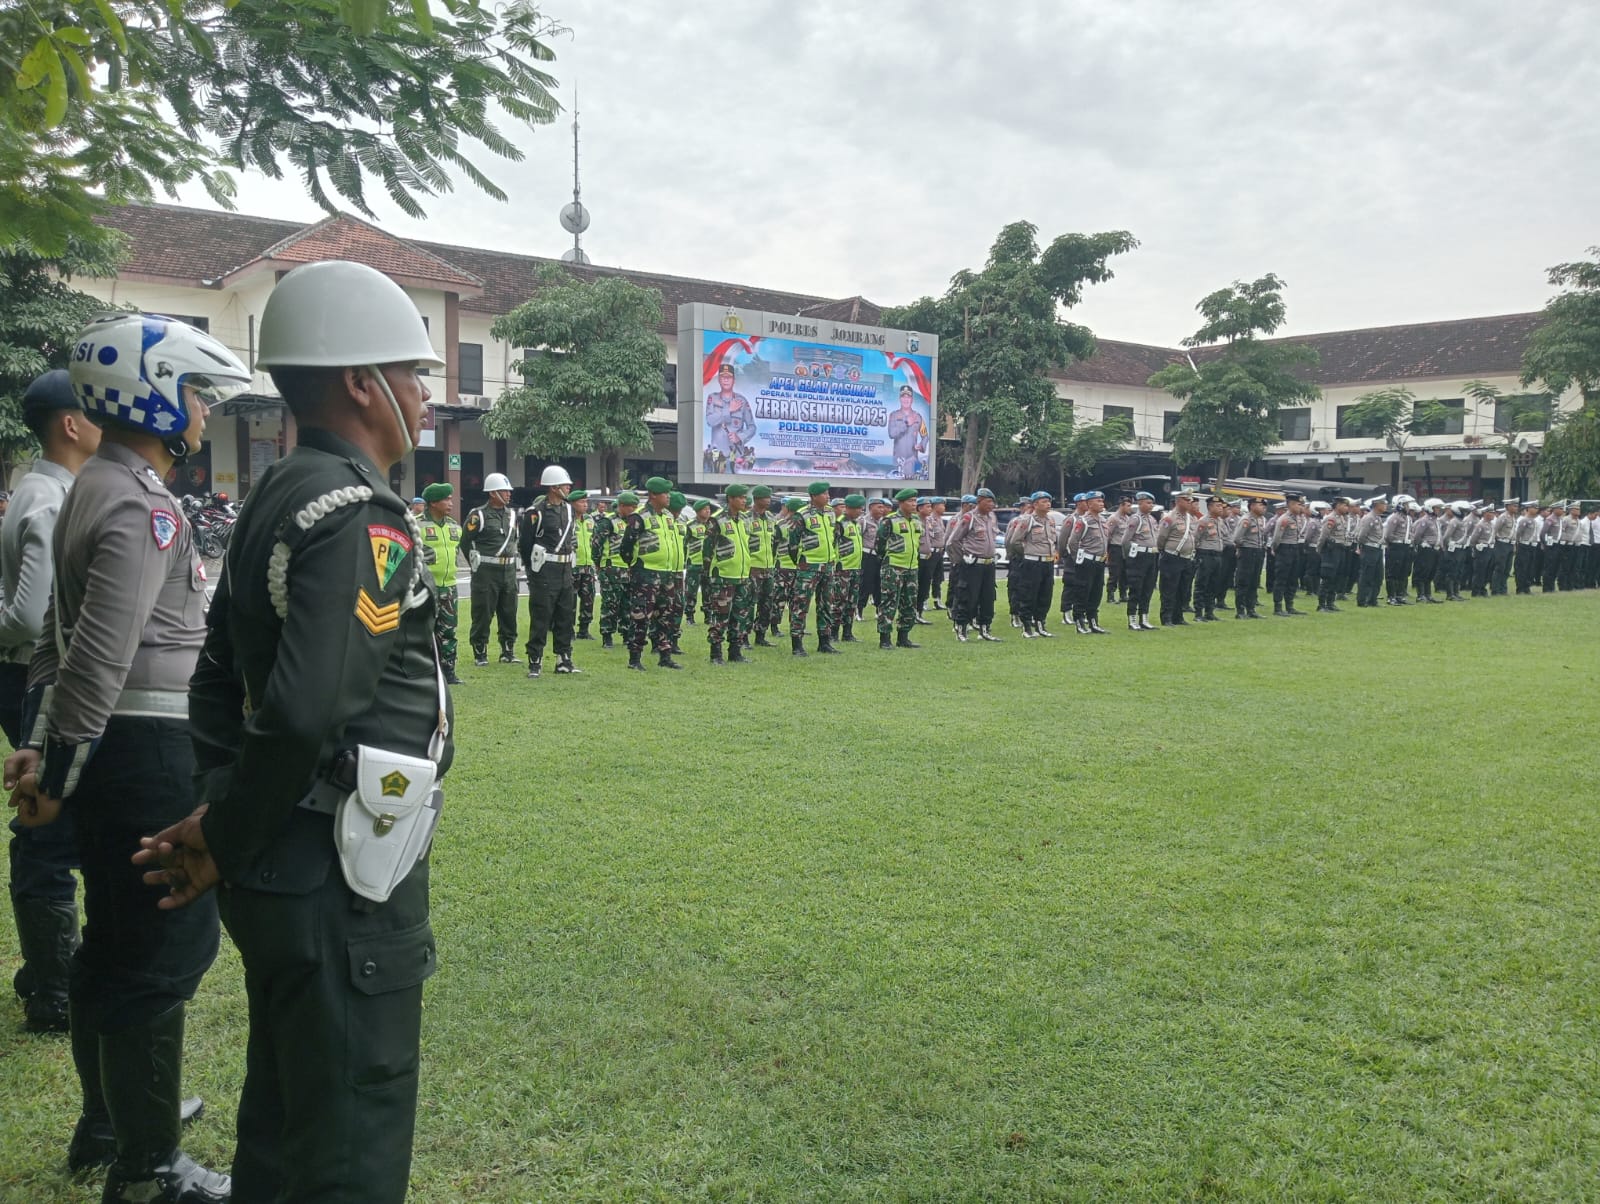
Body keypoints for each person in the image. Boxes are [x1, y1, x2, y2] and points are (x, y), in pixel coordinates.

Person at [133, 261, 452, 1203]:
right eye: (412, 373)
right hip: (339, 869)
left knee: (284, 1110)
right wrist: (228, 831)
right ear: (361, 382)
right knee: (350, 1127)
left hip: (287, 861)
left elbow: (214, 683)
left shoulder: (279, 490)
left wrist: (224, 813)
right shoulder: (357, 512)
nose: (425, 397)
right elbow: (309, 709)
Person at [8, 313, 250, 1200]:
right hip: (147, 748)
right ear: (151, 397)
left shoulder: (90, 485)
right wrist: (54, 771)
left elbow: (54, 641)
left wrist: (41, 744)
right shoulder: (140, 503)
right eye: (192, 394)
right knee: (160, 948)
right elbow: (101, 653)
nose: (202, 411)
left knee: (113, 943)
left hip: (114, 746)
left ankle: (109, 1126)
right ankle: (149, 1170)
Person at [1, 370, 101, 1037]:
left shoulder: (37, 490)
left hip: (32, 677)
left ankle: (47, 972)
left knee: (53, 820)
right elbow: (29, 616)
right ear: (70, 424)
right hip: (41, 680)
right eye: (94, 412)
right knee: (49, 826)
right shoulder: (51, 502)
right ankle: (54, 986)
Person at [519, 465, 580, 678]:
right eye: (565, 485)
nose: (569, 487)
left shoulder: (569, 510)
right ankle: (535, 661)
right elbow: (525, 544)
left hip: (565, 569)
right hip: (545, 570)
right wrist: (532, 570)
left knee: (565, 616)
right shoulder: (536, 512)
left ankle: (564, 659)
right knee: (541, 616)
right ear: (554, 487)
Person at [620, 477, 687, 671]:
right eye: (665, 493)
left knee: (666, 616)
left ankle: (665, 655)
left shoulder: (668, 516)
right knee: (641, 617)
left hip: (667, 574)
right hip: (646, 574)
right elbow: (626, 547)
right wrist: (635, 565)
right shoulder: (639, 517)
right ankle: (635, 658)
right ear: (653, 495)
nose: (668, 496)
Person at [460, 471, 518, 664]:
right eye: (504, 490)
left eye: (509, 491)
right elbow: (465, 542)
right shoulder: (478, 515)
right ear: (493, 493)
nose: (509, 494)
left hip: (509, 571)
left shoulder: (511, 515)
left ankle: (508, 651)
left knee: (509, 612)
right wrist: (475, 563)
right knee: (483, 612)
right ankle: (480, 652)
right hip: (486, 571)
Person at [417, 481, 465, 683]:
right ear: (433, 503)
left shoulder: (454, 526)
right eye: (446, 499)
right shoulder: (416, 525)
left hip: (450, 587)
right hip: (425, 587)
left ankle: (448, 672)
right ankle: (423, 672)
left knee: (448, 632)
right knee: (422, 631)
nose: (451, 503)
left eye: (451, 498)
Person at [786, 482, 839, 656]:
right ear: (814, 496)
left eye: (828, 493)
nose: (827, 496)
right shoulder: (802, 515)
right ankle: (797, 644)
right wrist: (802, 563)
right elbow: (793, 543)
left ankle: (825, 642)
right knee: (801, 605)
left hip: (828, 565)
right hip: (808, 566)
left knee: (826, 604)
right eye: (824, 493)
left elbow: (834, 537)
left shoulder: (830, 513)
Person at [702, 484, 752, 665]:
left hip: (742, 576)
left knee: (739, 616)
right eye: (740, 497)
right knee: (720, 617)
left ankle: (735, 652)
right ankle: (716, 654)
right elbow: (707, 550)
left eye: (745, 497)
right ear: (731, 499)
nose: (744, 500)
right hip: (723, 577)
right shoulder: (717, 520)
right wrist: (710, 575)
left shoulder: (745, 520)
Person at [946, 488, 1002, 642]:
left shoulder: (992, 517)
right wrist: (961, 559)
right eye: (988, 501)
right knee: (967, 597)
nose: (991, 505)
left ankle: (985, 629)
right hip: (972, 564)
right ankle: (961, 629)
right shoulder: (969, 517)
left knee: (988, 598)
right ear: (979, 501)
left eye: (993, 502)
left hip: (988, 564)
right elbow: (953, 541)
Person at [875, 488, 923, 649]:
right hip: (893, 567)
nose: (913, 504)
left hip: (912, 567)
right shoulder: (889, 521)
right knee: (889, 602)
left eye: (915, 501)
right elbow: (879, 544)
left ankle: (903, 637)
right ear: (901, 503)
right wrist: (887, 560)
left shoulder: (916, 520)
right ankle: (885, 638)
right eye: (910, 501)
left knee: (909, 603)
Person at [1010, 492, 1057, 638]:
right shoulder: (1027, 520)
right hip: (1032, 562)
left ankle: (1040, 624)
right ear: (1035, 504)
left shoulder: (1050, 520)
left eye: (1049, 501)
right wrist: (1027, 554)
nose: (1048, 504)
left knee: (1045, 595)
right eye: (1044, 501)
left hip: (1048, 562)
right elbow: (1015, 541)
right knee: (1028, 595)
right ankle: (1026, 626)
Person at [592, 491, 636, 648]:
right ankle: (607, 635)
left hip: (628, 569)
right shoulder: (608, 522)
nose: (634, 509)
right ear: (622, 506)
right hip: (611, 568)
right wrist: (599, 564)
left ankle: (627, 635)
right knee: (610, 603)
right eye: (631, 507)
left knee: (627, 604)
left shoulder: (634, 523)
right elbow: (596, 544)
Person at [1064, 490, 1111, 634]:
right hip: (1087, 561)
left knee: (1096, 593)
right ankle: (1079, 621)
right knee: (1082, 592)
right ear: (1089, 504)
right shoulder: (1083, 521)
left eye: (1102, 501)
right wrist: (1078, 559)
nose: (1101, 503)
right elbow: (1072, 542)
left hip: (1100, 561)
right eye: (1098, 501)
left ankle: (1093, 621)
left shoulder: (1103, 520)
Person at [745, 485, 779, 647]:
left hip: (768, 567)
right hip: (752, 567)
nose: (769, 500)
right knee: (748, 604)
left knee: (767, 603)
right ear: (757, 499)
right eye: (766, 497)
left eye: (769, 497)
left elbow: (775, 541)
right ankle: (743, 637)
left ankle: (761, 635)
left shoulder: (771, 518)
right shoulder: (747, 518)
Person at [1122, 491, 1160, 630]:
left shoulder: (1152, 519)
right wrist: (1129, 558)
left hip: (1151, 556)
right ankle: (1132, 618)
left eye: (1152, 503)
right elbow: (1125, 540)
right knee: (1136, 589)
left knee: (1147, 588)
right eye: (1148, 503)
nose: (1151, 506)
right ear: (1140, 503)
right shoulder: (1135, 519)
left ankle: (1144, 618)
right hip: (1139, 557)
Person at [832, 495, 866, 643]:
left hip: (855, 568)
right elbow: (833, 544)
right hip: (842, 569)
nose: (860, 511)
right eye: (858, 508)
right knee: (839, 602)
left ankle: (847, 633)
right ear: (849, 508)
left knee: (852, 602)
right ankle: (833, 633)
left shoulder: (856, 523)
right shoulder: (839, 524)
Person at [1230, 496, 1269, 619]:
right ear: (1252, 506)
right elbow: (1237, 538)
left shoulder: (1260, 519)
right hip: (1247, 551)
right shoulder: (1246, 519)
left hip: (1258, 551)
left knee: (1254, 582)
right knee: (1243, 581)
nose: (1263, 507)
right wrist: (1244, 547)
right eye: (1260, 505)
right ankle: (1240, 611)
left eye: (1263, 505)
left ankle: (1251, 609)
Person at [704, 363, 755, 457]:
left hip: (736, 456)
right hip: (717, 456)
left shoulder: (742, 401)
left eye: (729, 377)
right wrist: (729, 410)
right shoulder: (713, 398)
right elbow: (710, 421)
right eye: (723, 377)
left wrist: (740, 437)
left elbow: (752, 427)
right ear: (719, 379)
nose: (726, 379)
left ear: (734, 380)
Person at [1192, 495, 1229, 622]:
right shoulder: (1203, 521)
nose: (1221, 508)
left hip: (1217, 555)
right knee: (1202, 584)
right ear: (1210, 507)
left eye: (1221, 506)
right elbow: (1195, 538)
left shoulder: (1220, 521)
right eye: (1218, 506)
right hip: (1206, 555)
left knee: (1213, 584)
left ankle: (1209, 612)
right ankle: (1198, 613)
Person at [1316, 497, 1353, 612]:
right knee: (1328, 577)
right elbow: (1323, 535)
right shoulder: (1331, 518)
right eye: (1344, 505)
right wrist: (1319, 549)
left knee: (1336, 577)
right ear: (1337, 505)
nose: (1347, 508)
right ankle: (1321, 605)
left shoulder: (1342, 518)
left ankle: (1330, 603)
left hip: (1340, 549)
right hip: (1331, 550)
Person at [570, 489, 598, 640]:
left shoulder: (589, 520)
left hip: (588, 566)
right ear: (573, 504)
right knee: (570, 600)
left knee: (588, 599)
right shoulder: (567, 520)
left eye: (586, 502)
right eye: (581, 502)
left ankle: (584, 630)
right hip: (572, 566)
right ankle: (568, 630)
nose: (585, 505)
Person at [857, 495, 888, 619]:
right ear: (871, 508)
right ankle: (859, 610)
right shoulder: (863, 521)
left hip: (880, 556)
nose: (882, 509)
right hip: (867, 556)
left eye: (882, 507)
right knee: (866, 583)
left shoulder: (884, 522)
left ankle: (878, 609)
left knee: (880, 583)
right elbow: (857, 539)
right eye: (879, 507)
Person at [683, 499, 712, 625]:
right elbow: (684, 544)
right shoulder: (690, 526)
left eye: (709, 509)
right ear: (698, 511)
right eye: (705, 509)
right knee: (691, 592)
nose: (708, 511)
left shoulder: (712, 525)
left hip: (709, 565)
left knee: (709, 592)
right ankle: (689, 617)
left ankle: (708, 616)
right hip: (694, 564)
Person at [886, 385, 926, 478]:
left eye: (908, 397)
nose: (906, 399)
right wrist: (906, 423)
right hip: (898, 462)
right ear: (900, 399)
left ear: (912, 399)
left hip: (912, 462)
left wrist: (922, 445)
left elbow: (925, 436)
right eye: (903, 397)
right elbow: (891, 433)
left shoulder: (918, 416)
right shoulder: (893, 415)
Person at [1410, 498, 1444, 604]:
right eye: (1437, 508)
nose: (1439, 510)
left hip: (1435, 550)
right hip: (1426, 550)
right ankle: (1421, 595)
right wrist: (1421, 544)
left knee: (1431, 573)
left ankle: (1428, 595)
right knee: (1423, 572)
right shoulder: (1424, 521)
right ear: (1430, 508)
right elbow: (1417, 536)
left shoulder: (1436, 521)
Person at [1355, 495, 1388, 607]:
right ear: (1377, 505)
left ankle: (1372, 600)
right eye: (1383, 504)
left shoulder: (1377, 518)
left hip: (1378, 549)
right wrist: (1365, 546)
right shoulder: (1369, 518)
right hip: (1370, 549)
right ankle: (1362, 600)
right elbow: (1361, 536)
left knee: (1378, 576)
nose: (1385, 506)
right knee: (1367, 575)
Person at [919, 496, 947, 616]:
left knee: (938, 577)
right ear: (936, 506)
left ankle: (937, 599)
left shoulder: (939, 520)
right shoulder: (929, 520)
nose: (944, 507)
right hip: (931, 552)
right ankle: (924, 601)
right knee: (927, 577)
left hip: (940, 552)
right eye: (942, 505)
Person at [1490, 499, 1518, 596]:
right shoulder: (1503, 517)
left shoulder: (1513, 517)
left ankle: (1503, 589)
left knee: (1507, 568)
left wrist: (1514, 546)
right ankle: (1495, 589)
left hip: (1510, 544)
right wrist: (1493, 543)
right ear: (1508, 507)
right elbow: (1494, 530)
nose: (1516, 508)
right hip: (1502, 544)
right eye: (1514, 506)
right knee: (1500, 567)